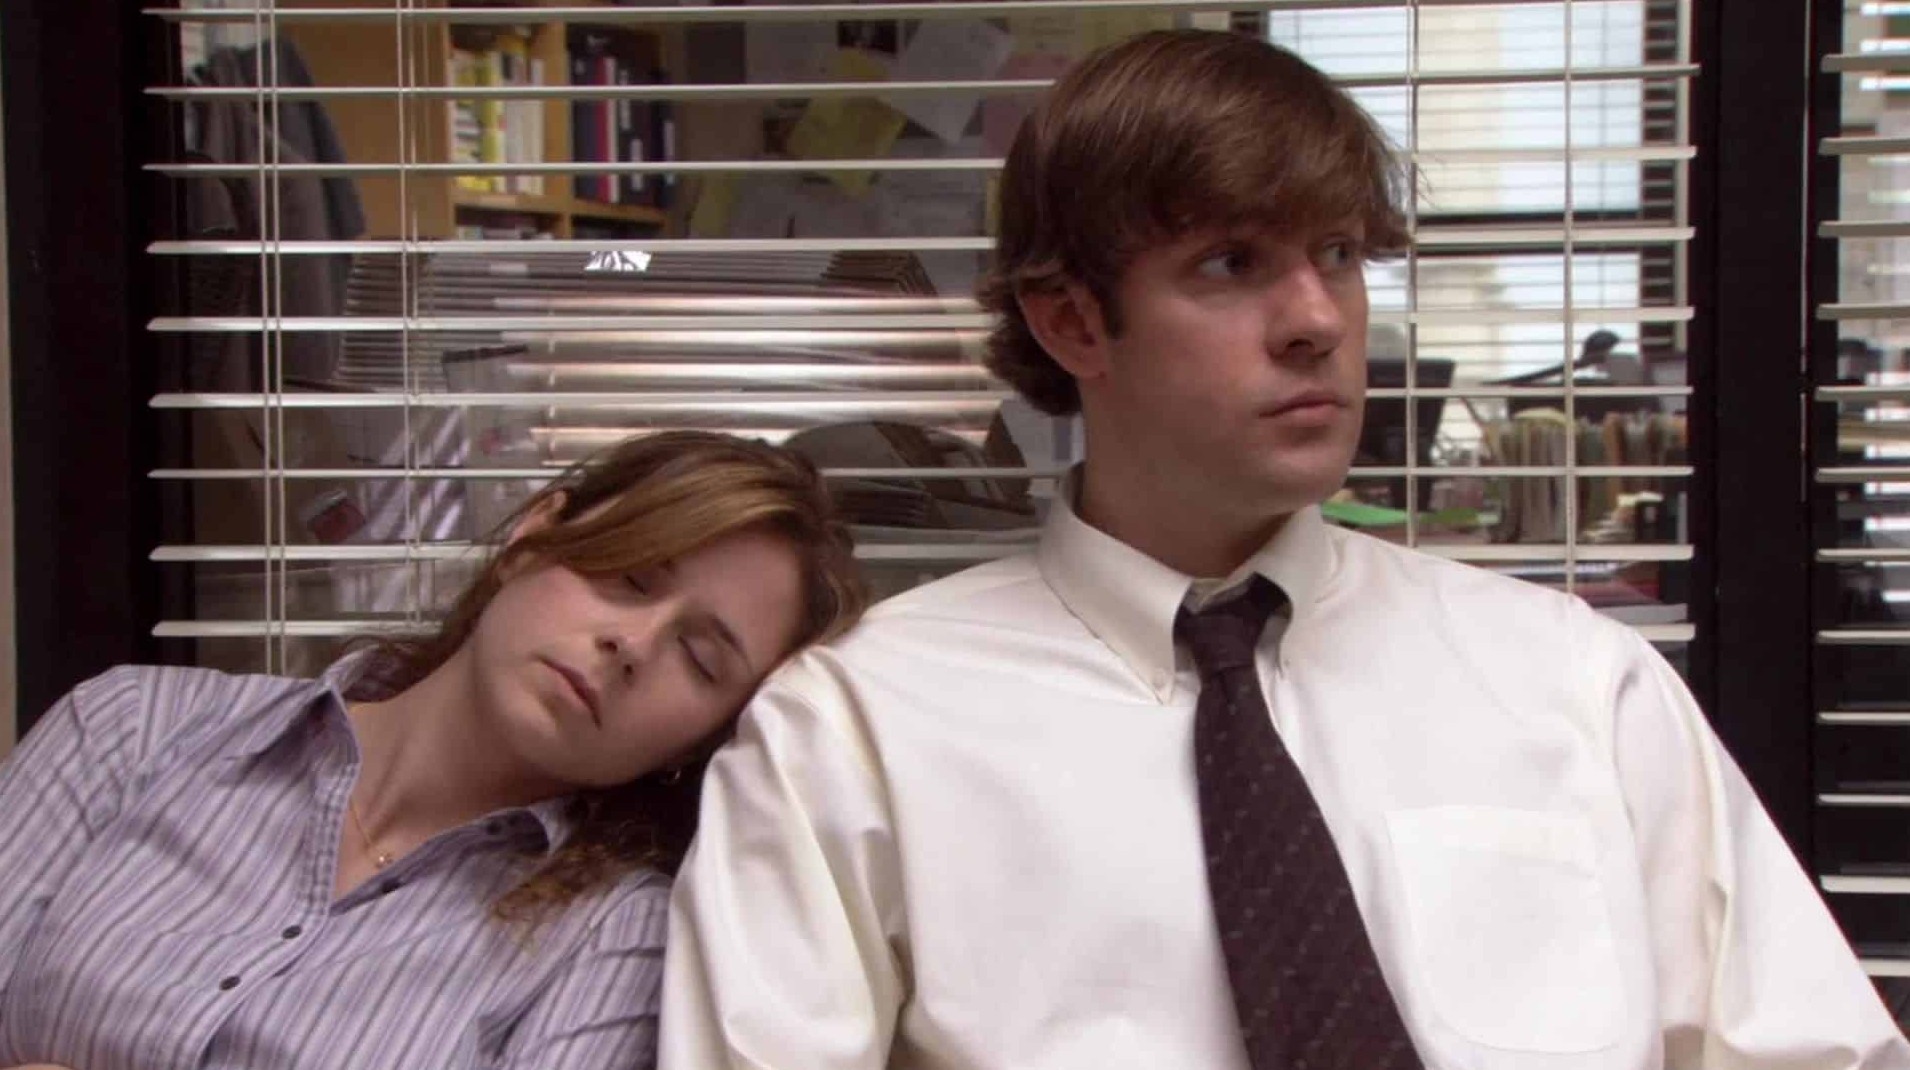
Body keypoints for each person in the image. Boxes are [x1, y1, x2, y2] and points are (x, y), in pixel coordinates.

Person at [660, 30, 1910, 1070]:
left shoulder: (1575, 684)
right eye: (1230, 263)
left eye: (1338, 255)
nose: (1316, 318)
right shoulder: (857, 732)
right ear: (1072, 320)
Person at [0, 431, 865, 1070]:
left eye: (701, 659)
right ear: (533, 535)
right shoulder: (133, 728)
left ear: (702, 739)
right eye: (631, 575)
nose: (633, 645)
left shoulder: (615, 941)